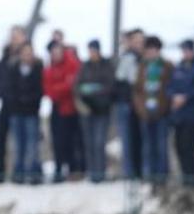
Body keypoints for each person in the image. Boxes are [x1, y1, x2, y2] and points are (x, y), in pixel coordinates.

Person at [168, 39, 194, 185]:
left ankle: (191, 179)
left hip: (193, 115)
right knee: (179, 146)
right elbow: (171, 86)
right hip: (179, 115)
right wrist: (174, 96)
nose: (185, 53)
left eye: (187, 50)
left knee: (189, 147)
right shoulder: (179, 67)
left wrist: (186, 97)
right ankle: (185, 177)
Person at [133, 35, 173, 183]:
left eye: (153, 50)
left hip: (162, 113)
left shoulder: (167, 66)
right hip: (145, 112)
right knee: (148, 146)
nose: (150, 53)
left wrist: (164, 108)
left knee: (161, 146)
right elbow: (137, 90)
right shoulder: (142, 67)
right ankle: (148, 176)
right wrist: (141, 109)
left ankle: (162, 177)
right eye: (148, 50)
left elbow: (170, 89)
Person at [75, 39, 114, 183]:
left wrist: (92, 89)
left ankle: (100, 173)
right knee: (89, 143)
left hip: (102, 111)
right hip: (87, 111)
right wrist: (85, 97)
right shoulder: (85, 66)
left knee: (99, 143)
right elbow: (78, 87)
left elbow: (108, 87)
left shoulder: (106, 66)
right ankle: (92, 174)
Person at [5, 42, 44, 184]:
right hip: (16, 112)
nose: (27, 55)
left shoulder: (38, 68)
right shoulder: (13, 69)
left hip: (32, 112)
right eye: (24, 52)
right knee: (18, 144)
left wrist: (29, 100)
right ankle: (19, 173)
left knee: (32, 144)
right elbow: (9, 89)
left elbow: (40, 90)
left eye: (29, 52)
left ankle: (34, 173)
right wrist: (17, 101)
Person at [44, 40, 82, 181]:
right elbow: (49, 90)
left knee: (72, 142)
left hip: (72, 109)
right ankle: (59, 170)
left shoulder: (72, 63)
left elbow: (73, 84)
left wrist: (59, 87)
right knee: (58, 142)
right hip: (57, 108)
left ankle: (74, 170)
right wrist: (63, 86)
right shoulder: (49, 68)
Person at [0, 25, 27, 182]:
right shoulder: (5, 57)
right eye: (12, 36)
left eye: (17, 36)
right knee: (0, 139)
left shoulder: (28, 57)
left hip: (21, 105)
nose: (14, 39)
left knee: (20, 141)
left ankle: (19, 173)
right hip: (5, 103)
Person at [114, 29, 144, 179]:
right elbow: (125, 80)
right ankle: (130, 173)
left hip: (141, 106)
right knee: (128, 140)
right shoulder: (127, 58)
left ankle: (139, 171)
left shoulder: (143, 58)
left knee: (139, 140)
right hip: (128, 104)